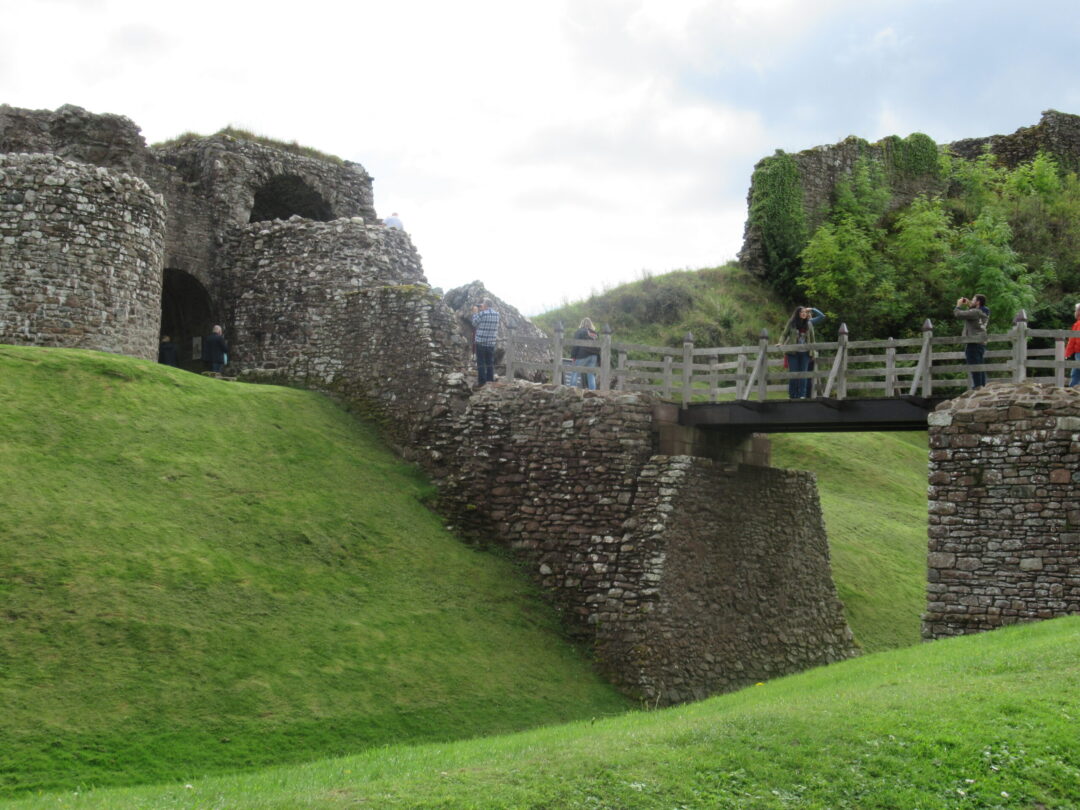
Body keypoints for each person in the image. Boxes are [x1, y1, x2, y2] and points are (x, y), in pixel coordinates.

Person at [777, 305, 825, 399]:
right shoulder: (792, 323)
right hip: (793, 353)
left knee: (804, 374)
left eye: (805, 312)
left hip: (805, 353)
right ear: (797, 313)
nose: (804, 314)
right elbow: (784, 334)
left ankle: (802, 395)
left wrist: (811, 309)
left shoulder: (809, 322)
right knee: (793, 374)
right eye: (802, 312)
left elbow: (822, 316)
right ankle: (792, 395)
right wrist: (780, 343)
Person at [954, 294, 990, 389]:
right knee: (980, 364)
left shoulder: (975, 312)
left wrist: (958, 305)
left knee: (974, 364)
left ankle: (978, 386)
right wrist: (969, 304)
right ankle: (982, 385)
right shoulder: (983, 312)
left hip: (973, 341)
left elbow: (958, 314)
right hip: (981, 342)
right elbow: (972, 311)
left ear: (978, 302)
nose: (971, 301)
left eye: (973, 300)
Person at [471, 299, 499, 386]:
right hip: (491, 342)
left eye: (482, 305)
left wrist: (475, 312)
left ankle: (482, 382)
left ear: (486, 305)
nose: (481, 306)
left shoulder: (482, 314)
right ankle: (490, 380)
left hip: (481, 342)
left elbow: (474, 323)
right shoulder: (497, 314)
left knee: (481, 362)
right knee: (490, 362)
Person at [568, 318, 600, 389]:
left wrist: (573, 356)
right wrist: (598, 359)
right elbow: (598, 347)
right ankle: (592, 392)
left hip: (583, 354)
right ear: (591, 324)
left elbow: (575, 344)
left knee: (575, 371)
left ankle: (572, 391)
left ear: (582, 324)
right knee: (591, 374)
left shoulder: (579, 331)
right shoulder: (595, 334)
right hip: (594, 356)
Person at [1066, 301, 1080, 387]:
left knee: (1076, 372)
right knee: (1076, 371)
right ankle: (1073, 389)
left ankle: (1072, 389)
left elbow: (1073, 340)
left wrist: (1067, 352)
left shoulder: (1077, 324)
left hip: (1079, 351)